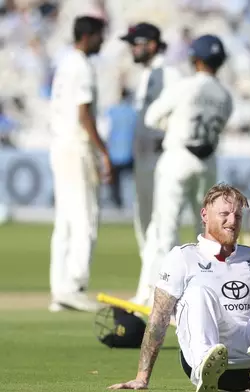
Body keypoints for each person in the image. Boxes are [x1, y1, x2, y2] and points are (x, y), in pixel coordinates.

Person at [107, 184, 250, 392]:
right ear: (204, 215)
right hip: (206, 356)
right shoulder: (182, 257)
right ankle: (206, 368)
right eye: (224, 214)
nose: (232, 221)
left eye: (238, 216)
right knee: (198, 292)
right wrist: (142, 377)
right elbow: (159, 318)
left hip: (248, 360)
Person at [137, 34, 233, 308]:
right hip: (207, 162)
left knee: (164, 228)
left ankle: (158, 294)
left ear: (195, 60)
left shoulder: (185, 86)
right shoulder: (225, 96)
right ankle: (201, 292)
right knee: (203, 230)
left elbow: (152, 117)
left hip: (178, 156)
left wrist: (176, 125)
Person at [48, 15, 111, 313]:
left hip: (60, 144)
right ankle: (73, 286)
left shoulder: (65, 63)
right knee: (85, 217)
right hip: (77, 146)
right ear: (87, 36)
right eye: (100, 35)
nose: (103, 40)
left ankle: (59, 288)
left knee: (65, 221)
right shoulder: (82, 66)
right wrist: (103, 151)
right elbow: (84, 114)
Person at [119, 22, 185, 305]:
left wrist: (165, 138)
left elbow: (178, 109)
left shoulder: (168, 73)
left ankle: (150, 292)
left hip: (161, 160)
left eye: (139, 42)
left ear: (155, 44)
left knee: (158, 226)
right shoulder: (146, 75)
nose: (133, 47)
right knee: (145, 225)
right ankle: (158, 287)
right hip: (144, 160)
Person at [105, 88, 137, 209]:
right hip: (130, 153)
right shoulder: (133, 112)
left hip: (114, 154)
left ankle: (117, 202)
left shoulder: (112, 111)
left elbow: (106, 130)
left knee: (114, 181)